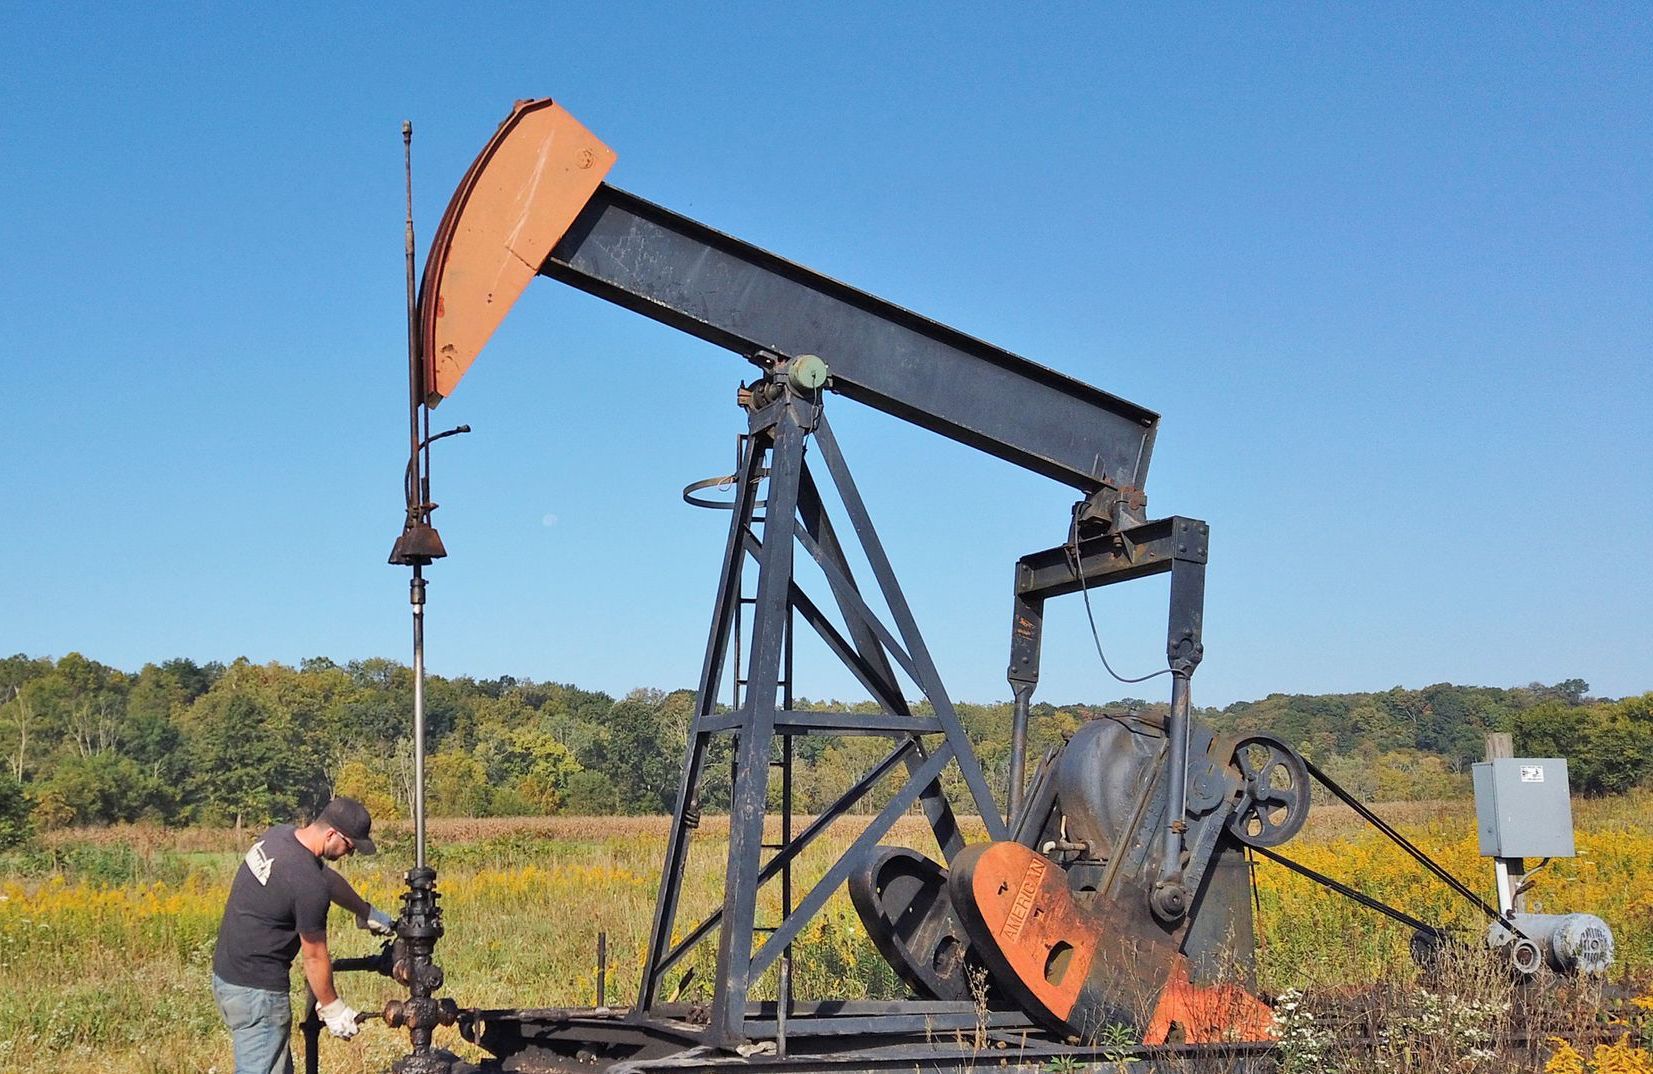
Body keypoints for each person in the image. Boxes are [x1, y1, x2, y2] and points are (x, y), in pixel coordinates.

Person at [211, 796, 397, 1074]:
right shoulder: (307, 885)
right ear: (332, 834)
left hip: (228, 976)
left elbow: (327, 878)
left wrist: (365, 911)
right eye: (350, 846)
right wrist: (332, 1007)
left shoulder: (280, 836)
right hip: (257, 992)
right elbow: (314, 957)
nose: (351, 854)